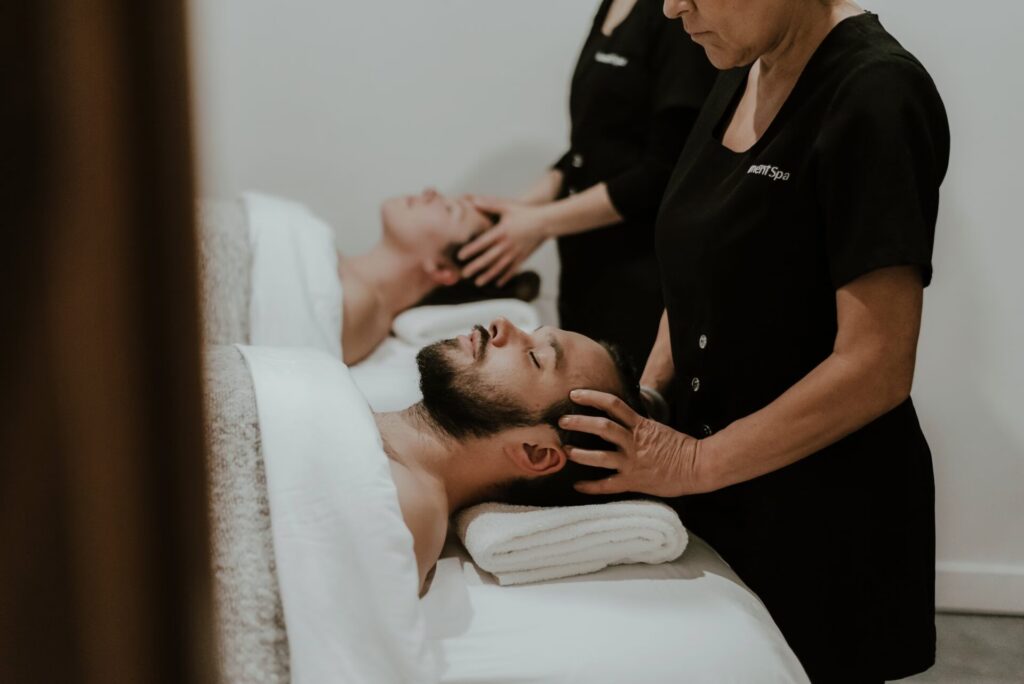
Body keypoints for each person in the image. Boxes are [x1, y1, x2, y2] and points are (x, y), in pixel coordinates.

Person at [560, 1, 950, 681]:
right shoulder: (742, 67)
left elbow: (878, 363)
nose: (673, 8)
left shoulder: (877, 93)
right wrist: (651, 397)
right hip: (720, 496)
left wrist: (694, 462)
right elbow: (695, 272)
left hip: (824, 516)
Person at [456, 0, 716, 368]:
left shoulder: (675, 14)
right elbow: (592, 145)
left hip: (640, 269)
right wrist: (520, 211)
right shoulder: (612, 6)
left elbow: (666, 169)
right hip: (587, 263)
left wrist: (540, 222)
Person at [374, 316, 641, 591]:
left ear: (536, 453)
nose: (500, 324)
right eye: (531, 333)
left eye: (536, 358)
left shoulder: (398, 512)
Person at [200, 187, 534, 364]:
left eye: (450, 209)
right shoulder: (324, 256)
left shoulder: (360, 309)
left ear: (442, 269)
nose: (432, 191)